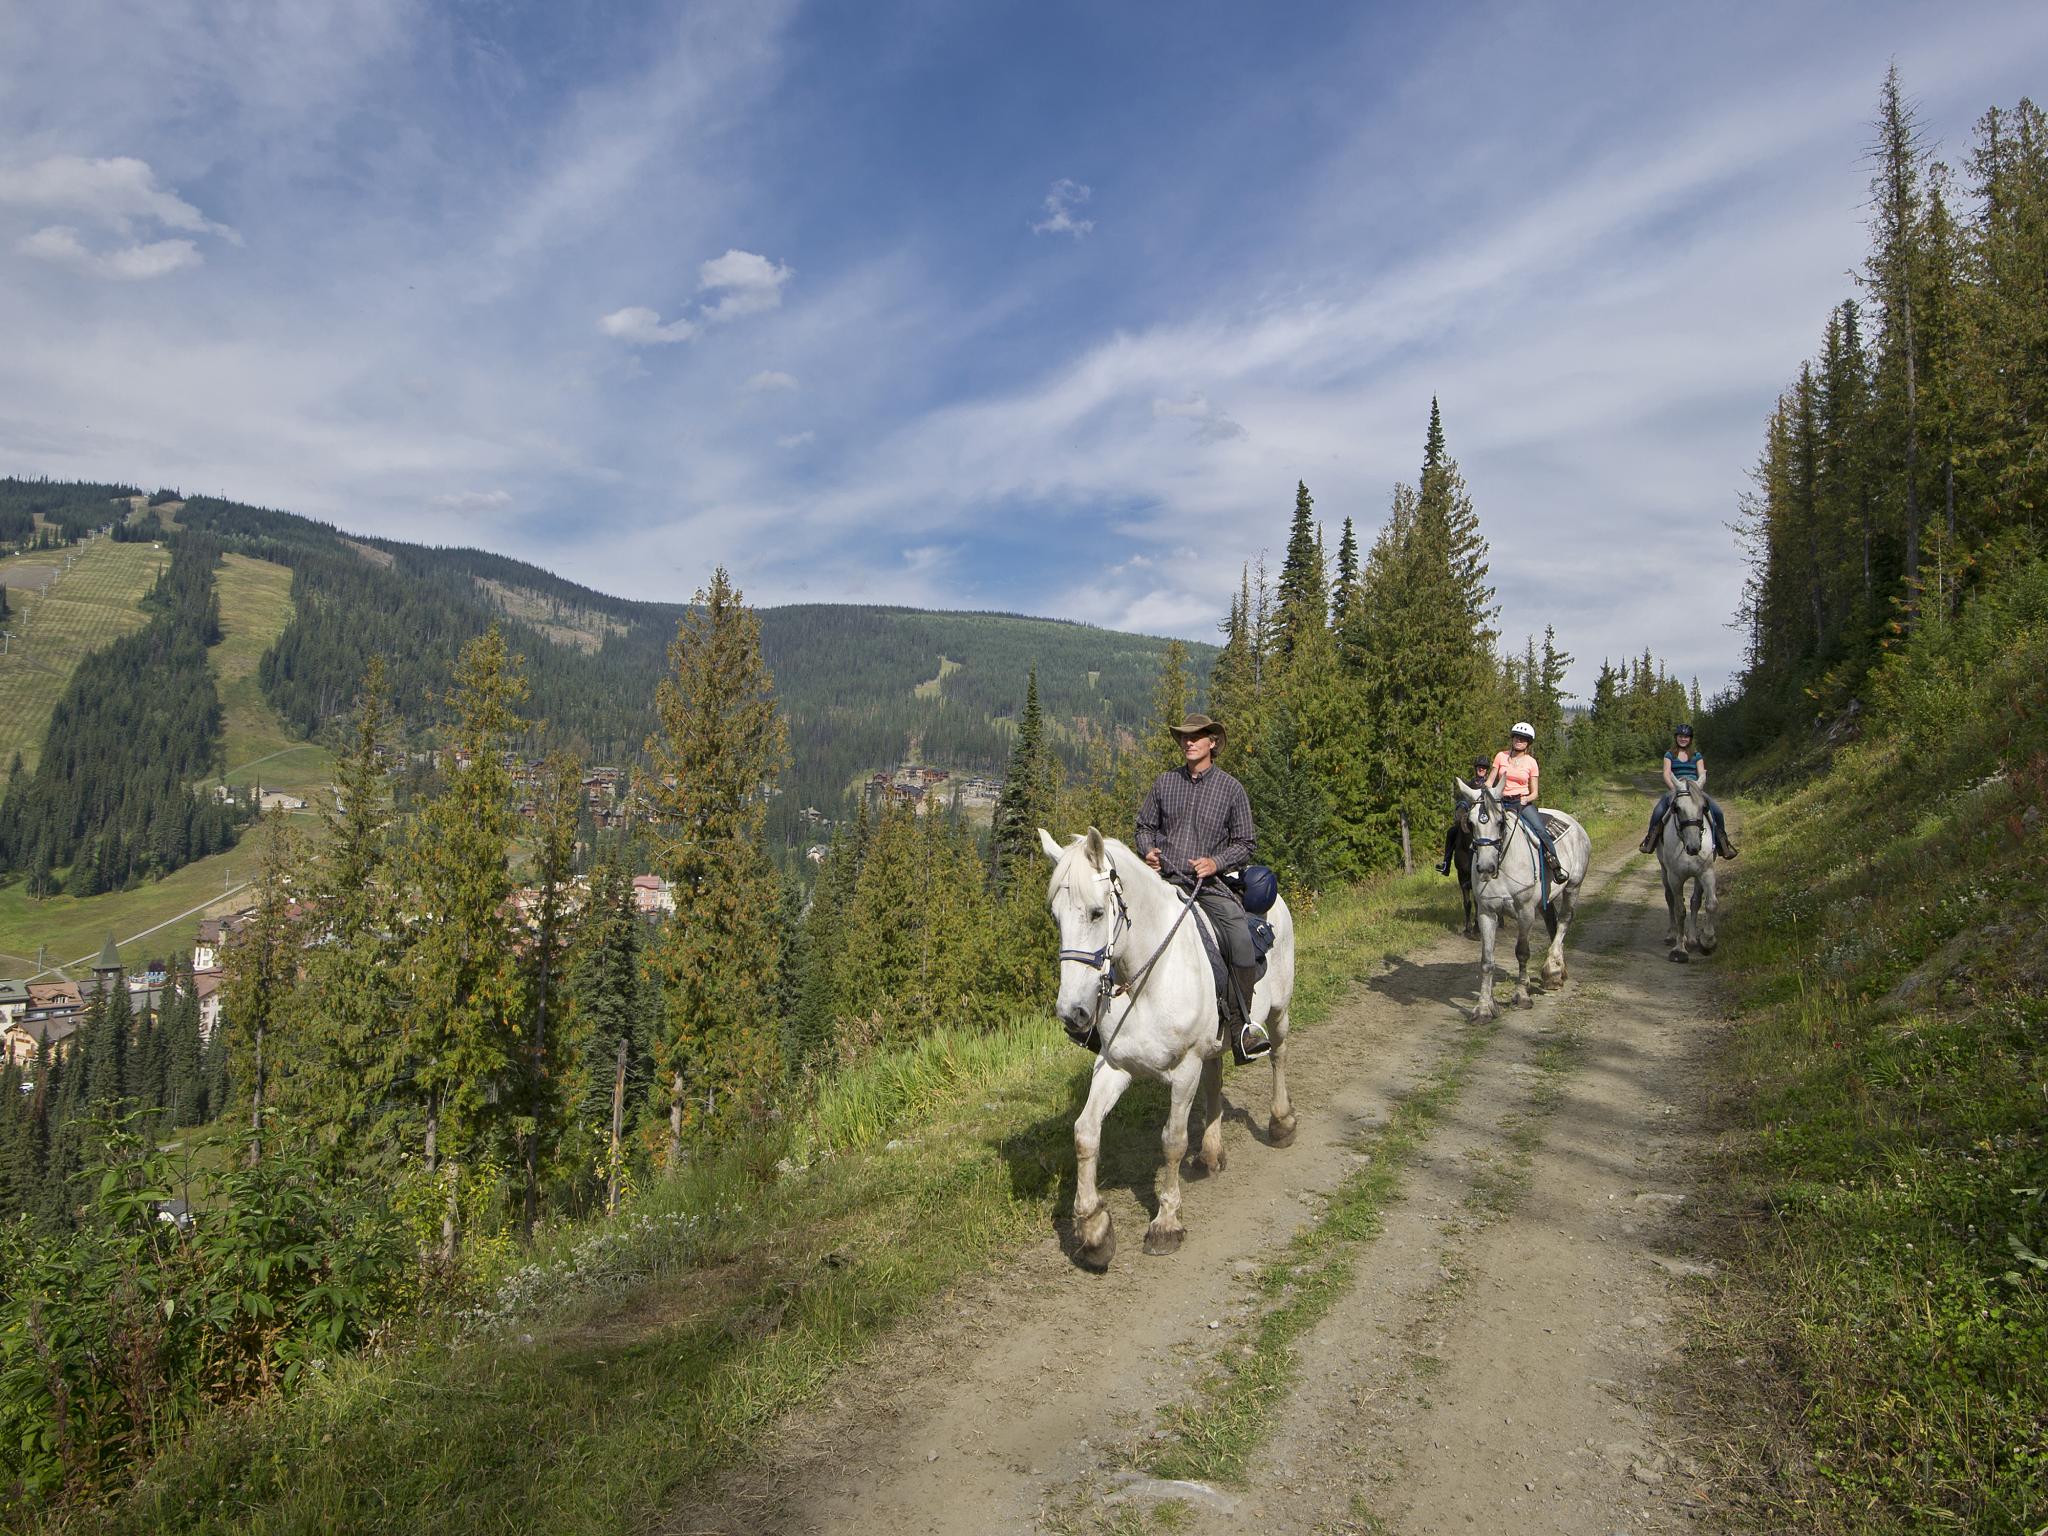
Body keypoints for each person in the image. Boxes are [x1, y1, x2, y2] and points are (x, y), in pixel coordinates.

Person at [1135, 712, 1269, 1059]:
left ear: (1213, 742)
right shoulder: (1165, 783)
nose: (1188, 742)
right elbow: (1143, 826)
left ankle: (1241, 1028)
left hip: (1207, 888)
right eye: (1184, 737)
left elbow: (1245, 842)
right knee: (1114, 926)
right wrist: (1147, 849)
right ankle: (1101, 1026)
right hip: (1162, 881)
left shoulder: (1231, 789)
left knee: (1239, 937)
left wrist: (1215, 863)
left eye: (1196, 737)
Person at [1638, 723, 1738, 857]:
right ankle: (1649, 841)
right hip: (1676, 789)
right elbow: (1667, 774)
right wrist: (1676, 789)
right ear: (1676, 738)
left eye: (1686, 737)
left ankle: (1723, 844)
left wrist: (1697, 787)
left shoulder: (1697, 756)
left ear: (1690, 739)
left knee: (1717, 812)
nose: (1683, 739)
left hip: (1695, 789)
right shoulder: (1669, 755)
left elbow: (1701, 773)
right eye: (1680, 736)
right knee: (1658, 811)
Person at [1489, 721, 1563, 899]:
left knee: (1540, 831)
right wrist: (1483, 792)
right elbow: (1490, 781)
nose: (1519, 741)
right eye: (1516, 737)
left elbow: (1534, 792)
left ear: (1528, 743)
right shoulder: (1501, 757)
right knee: (1481, 828)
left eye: (1523, 739)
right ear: (1512, 738)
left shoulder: (1531, 762)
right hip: (1500, 801)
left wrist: (1525, 799)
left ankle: (1555, 864)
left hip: (1521, 803)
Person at [1437, 755, 1495, 876]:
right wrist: (1461, 809)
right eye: (1480, 767)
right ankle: (1446, 863)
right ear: (1476, 768)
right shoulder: (1469, 785)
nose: (1481, 769)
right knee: (1452, 832)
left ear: (1487, 769)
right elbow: (1463, 799)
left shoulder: (1491, 786)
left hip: (1487, 818)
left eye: (1484, 767)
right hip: (1472, 817)